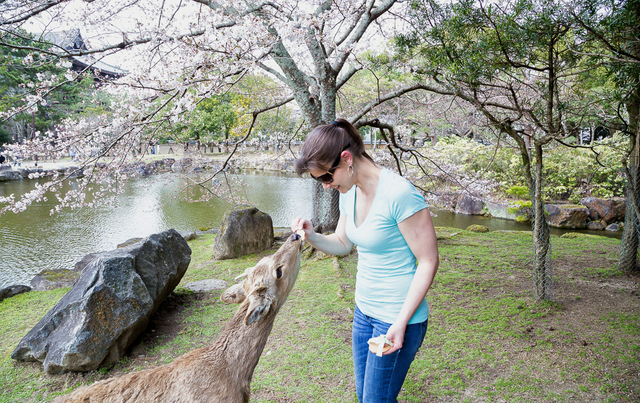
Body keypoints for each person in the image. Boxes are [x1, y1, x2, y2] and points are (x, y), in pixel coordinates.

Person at [291, 118, 439, 403]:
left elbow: (428, 261)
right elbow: (344, 243)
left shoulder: (400, 194)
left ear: (346, 159)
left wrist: (400, 322)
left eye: (325, 177)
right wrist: (312, 237)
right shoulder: (350, 192)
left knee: (375, 400)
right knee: (367, 397)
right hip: (364, 314)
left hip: (397, 319)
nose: (325, 186)